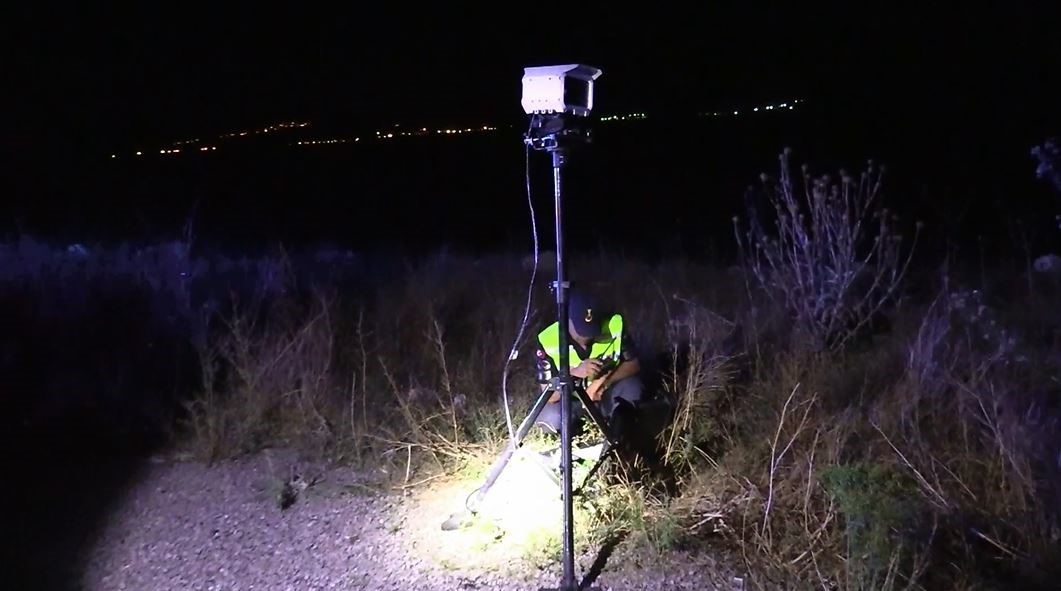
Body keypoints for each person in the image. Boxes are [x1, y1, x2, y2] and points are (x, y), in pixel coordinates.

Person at [532, 288, 644, 437]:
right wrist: (573, 373)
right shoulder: (548, 339)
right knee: (548, 418)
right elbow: (550, 395)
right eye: (581, 330)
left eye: (592, 330)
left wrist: (602, 383)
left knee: (633, 388)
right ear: (568, 320)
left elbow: (633, 364)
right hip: (571, 403)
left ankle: (618, 432)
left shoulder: (614, 325)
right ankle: (576, 433)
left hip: (604, 396)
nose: (586, 338)